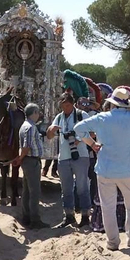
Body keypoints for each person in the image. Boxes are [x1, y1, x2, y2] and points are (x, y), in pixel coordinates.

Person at [71, 87, 130, 251]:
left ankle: (113, 242)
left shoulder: (102, 118)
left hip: (105, 168)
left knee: (107, 207)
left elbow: (78, 128)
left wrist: (92, 144)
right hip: (127, 170)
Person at [47, 94, 92, 226]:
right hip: (64, 157)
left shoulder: (81, 115)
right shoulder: (59, 117)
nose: (65, 108)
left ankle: (85, 216)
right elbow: (49, 136)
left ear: (72, 104)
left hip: (81, 156)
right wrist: (51, 130)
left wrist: (78, 140)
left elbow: (93, 132)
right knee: (66, 189)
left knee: (82, 187)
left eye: (67, 105)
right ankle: (69, 215)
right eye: (63, 105)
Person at [16, 102, 45, 229]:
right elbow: (26, 147)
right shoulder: (30, 127)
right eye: (37, 112)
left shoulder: (24, 125)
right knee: (34, 191)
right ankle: (35, 219)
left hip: (28, 161)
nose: (38, 115)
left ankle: (26, 216)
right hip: (31, 161)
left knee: (27, 190)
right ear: (34, 113)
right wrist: (20, 158)